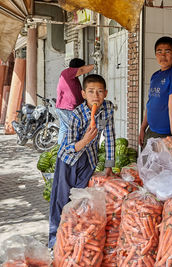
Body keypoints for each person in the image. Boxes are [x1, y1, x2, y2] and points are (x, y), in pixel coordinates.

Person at [48, 74, 115, 248]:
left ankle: (76, 237)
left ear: (106, 93)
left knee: (80, 199)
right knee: (61, 199)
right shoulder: (76, 115)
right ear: (84, 94)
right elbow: (68, 145)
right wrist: (85, 140)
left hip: (88, 159)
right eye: (91, 92)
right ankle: (55, 241)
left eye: (100, 92)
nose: (96, 96)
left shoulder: (107, 109)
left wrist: (109, 164)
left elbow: (109, 136)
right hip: (68, 160)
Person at [139, 36, 172, 148]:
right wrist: (142, 128)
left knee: (163, 165)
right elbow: (150, 103)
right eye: (159, 52)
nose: (163, 55)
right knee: (148, 164)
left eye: (167, 51)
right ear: (155, 55)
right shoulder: (155, 76)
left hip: (166, 133)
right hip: (151, 130)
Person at [56, 58, 95, 144]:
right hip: (67, 108)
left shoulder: (72, 77)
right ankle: (69, 149)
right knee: (71, 129)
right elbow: (82, 70)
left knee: (64, 129)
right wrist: (96, 64)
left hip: (64, 107)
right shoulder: (68, 72)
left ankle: (60, 149)